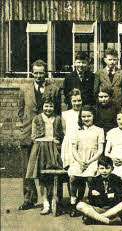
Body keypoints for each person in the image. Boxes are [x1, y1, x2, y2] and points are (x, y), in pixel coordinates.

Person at [18, 59, 60, 211]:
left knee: (48, 167)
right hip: (28, 133)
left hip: (47, 136)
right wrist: (26, 126)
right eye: (35, 73)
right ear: (32, 73)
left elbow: (57, 113)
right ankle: (29, 198)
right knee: (26, 168)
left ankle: (51, 198)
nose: (38, 76)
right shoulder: (24, 89)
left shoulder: (54, 89)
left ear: (46, 73)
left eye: (41, 73)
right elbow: (21, 111)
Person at [25, 97, 63, 215]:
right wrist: (49, 140)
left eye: (51, 106)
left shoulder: (57, 119)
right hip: (40, 149)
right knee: (42, 176)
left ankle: (54, 200)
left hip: (54, 150)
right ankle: (45, 202)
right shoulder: (37, 119)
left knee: (53, 176)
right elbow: (34, 136)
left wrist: (58, 141)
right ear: (42, 107)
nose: (48, 108)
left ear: (54, 107)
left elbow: (61, 134)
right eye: (46, 106)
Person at [68, 105, 104, 216]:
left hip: (93, 160)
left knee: (90, 177)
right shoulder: (76, 131)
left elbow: (100, 150)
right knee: (73, 177)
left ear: (93, 116)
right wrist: (80, 161)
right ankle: (74, 202)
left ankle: (90, 201)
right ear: (80, 117)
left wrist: (89, 162)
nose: (86, 119)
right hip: (79, 160)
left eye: (89, 116)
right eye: (83, 116)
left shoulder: (99, 130)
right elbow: (73, 149)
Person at [76, 156, 122, 225]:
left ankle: (95, 219)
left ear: (112, 169)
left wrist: (100, 196)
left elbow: (119, 197)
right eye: (102, 168)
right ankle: (107, 221)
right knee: (80, 205)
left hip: (112, 209)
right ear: (98, 169)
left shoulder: (116, 179)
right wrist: (109, 196)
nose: (104, 171)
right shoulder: (94, 180)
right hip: (98, 209)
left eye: (107, 168)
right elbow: (91, 199)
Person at [61, 89, 83, 170]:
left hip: (82, 144)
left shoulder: (86, 114)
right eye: (74, 101)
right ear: (70, 101)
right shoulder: (65, 114)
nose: (77, 103)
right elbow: (64, 132)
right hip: (69, 145)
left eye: (79, 100)